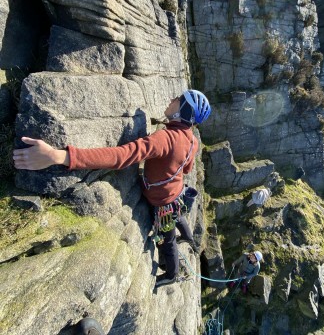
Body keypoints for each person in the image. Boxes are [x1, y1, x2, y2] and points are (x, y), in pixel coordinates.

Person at [13, 89, 211, 287]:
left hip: (163, 203)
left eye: (178, 99)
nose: (171, 98)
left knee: (168, 240)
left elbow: (121, 156)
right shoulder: (192, 141)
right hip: (175, 194)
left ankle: (172, 274)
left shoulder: (165, 139)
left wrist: (60, 156)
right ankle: (188, 238)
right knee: (178, 215)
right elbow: (187, 167)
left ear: (183, 111)